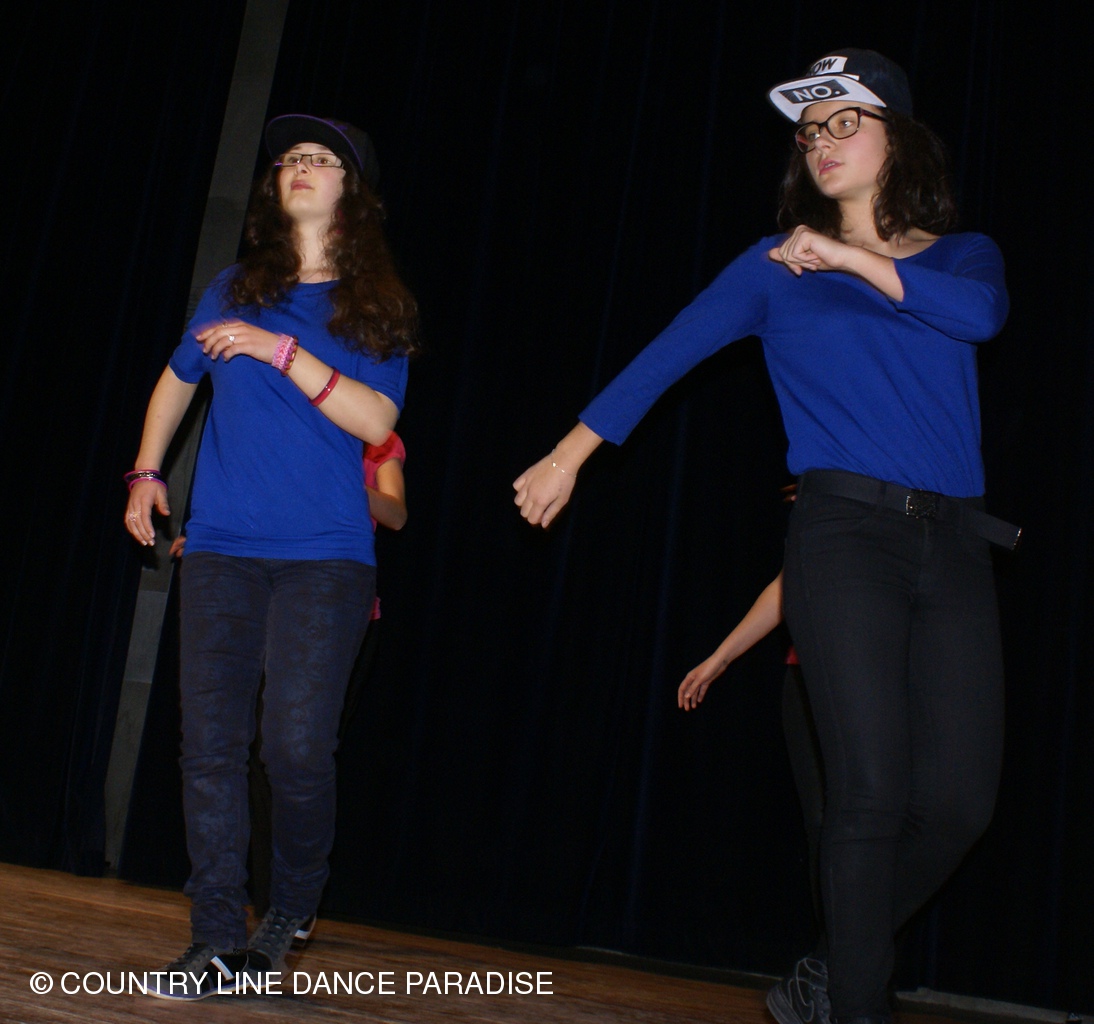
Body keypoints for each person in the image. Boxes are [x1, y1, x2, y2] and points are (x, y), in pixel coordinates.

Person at [514, 49, 1017, 1024]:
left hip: (956, 544)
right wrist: (569, 454)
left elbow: (981, 318)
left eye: (844, 121)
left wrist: (851, 257)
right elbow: (666, 354)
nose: (820, 141)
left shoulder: (962, 255)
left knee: (960, 805)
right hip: (843, 537)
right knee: (867, 792)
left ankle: (829, 968)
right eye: (808, 130)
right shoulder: (771, 266)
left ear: (899, 139)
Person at [125, 114, 418, 999]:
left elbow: (377, 420)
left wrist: (282, 351)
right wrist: (146, 472)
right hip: (220, 547)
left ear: (352, 193)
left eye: (321, 160)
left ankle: (289, 908)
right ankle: (215, 936)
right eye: (291, 157)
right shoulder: (234, 287)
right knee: (209, 748)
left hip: (325, 558)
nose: (300, 167)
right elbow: (178, 378)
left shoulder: (377, 305)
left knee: (293, 749)